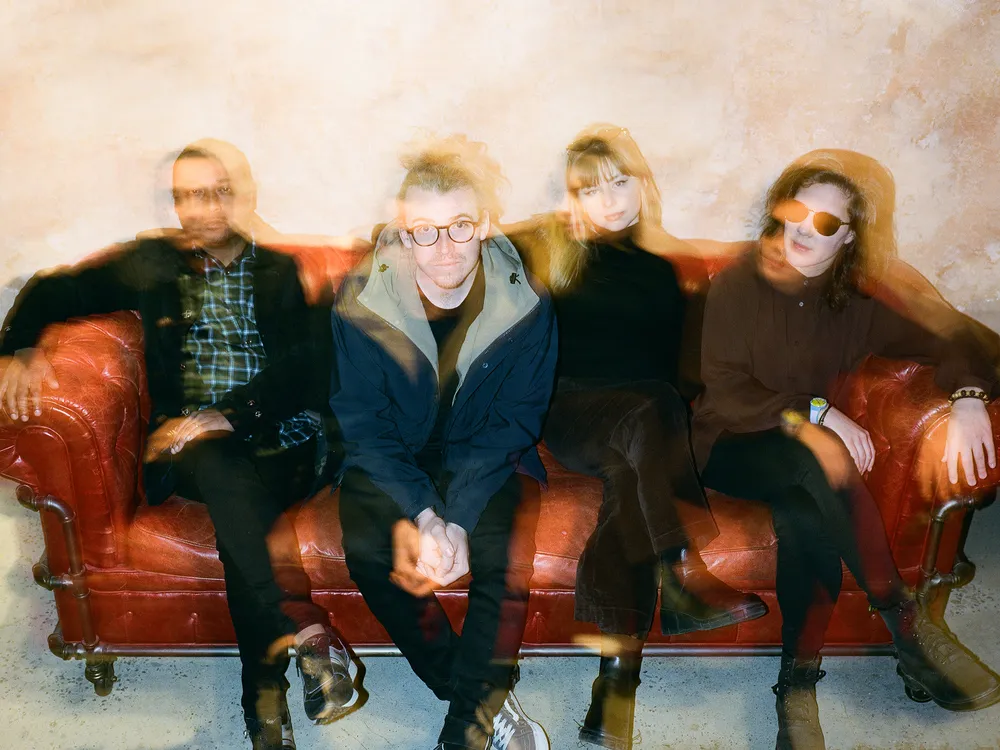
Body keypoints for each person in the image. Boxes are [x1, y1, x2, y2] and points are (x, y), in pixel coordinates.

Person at [0, 140, 361, 750]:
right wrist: (18, 346)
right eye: (191, 195)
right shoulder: (151, 263)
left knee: (239, 507)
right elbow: (55, 286)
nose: (206, 207)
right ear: (176, 204)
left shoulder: (281, 270)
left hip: (286, 438)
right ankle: (303, 641)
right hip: (193, 447)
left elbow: (308, 369)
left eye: (220, 192)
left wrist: (230, 414)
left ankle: (266, 709)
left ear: (243, 196)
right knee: (220, 465)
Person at [693, 158, 1000, 749]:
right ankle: (906, 626)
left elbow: (964, 335)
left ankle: (797, 688)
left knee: (805, 513)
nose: (804, 229)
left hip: (800, 464)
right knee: (818, 454)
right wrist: (817, 412)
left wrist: (967, 397)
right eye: (795, 211)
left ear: (850, 236)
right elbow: (724, 389)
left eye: (826, 221)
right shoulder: (737, 284)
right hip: (726, 443)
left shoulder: (856, 303)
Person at [510, 124, 766, 750]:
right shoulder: (547, 246)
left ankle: (616, 684)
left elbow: (688, 372)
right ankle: (682, 568)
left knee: (633, 472)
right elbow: (456, 243)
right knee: (650, 406)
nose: (609, 199)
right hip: (569, 410)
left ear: (643, 184)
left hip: (644, 422)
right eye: (590, 189)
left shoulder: (664, 272)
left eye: (619, 182)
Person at [330, 136, 556, 750]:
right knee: (369, 548)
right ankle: (478, 698)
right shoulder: (362, 298)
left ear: (484, 223)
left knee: (505, 553)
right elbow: (363, 423)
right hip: (394, 459)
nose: (445, 248)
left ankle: (464, 734)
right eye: (424, 232)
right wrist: (425, 513)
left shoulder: (527, 302)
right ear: (403, 235)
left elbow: (515, 419)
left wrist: (458, 518)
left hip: (487, 456)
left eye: (460, 225)